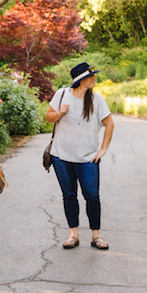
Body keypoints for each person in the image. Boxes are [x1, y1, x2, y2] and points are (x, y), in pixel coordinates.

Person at [46, 61, 115, 250]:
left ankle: (96, 236)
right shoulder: (62, 95)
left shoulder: (97, 100)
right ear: (80, 80)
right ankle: (73, 234)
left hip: (88, 158)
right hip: (61, 157)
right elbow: (48, 117)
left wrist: (103, 149)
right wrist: (60, 112)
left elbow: (110, 124)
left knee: (92, 196)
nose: (94, 79)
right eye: (90, 76)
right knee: (69, 195)